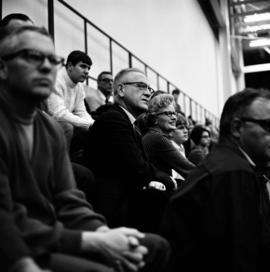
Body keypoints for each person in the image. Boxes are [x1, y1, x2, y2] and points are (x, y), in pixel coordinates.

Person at [0, 25, 170, 272]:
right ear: (3, 67)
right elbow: (5, 223)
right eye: (34, 56)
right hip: (17, 249)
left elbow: (70, 201)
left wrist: (103, 234)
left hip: (52, 238)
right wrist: (93, 241)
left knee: (153, 248)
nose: (47, 66)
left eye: (52, 59)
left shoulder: (49, 130)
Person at [162, 87, 270, 272]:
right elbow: (241, 258)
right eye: (268, 125)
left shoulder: (229, 164)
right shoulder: (234, 172)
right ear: (237, 128)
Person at [83, 68, 176, 230]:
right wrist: (169, 180)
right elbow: (138, 168)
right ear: (121, 90)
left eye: (149, 89)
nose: (148, 93)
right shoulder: (114, 119)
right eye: (141, 86)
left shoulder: (127, 121)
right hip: (115, 208)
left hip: (126, 196)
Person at [47, 50, 94, 153]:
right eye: (83, 66)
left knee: (92, 129)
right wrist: (88, 125)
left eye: (88, 68)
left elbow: (81, 112)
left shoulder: (79, 85)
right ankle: (61, 164)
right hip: (44, 120)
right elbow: (58, 113)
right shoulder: (56, 79)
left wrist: (94, 125)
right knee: (67, 127)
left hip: (60, 121)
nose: (87, 71)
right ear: (70, 66)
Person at [142, 93, 195, 182]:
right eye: (168, 114)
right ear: (154, 118)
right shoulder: (157, 138)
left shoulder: (152, 135)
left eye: (174, 113)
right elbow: (189, 170)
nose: (174, 117)